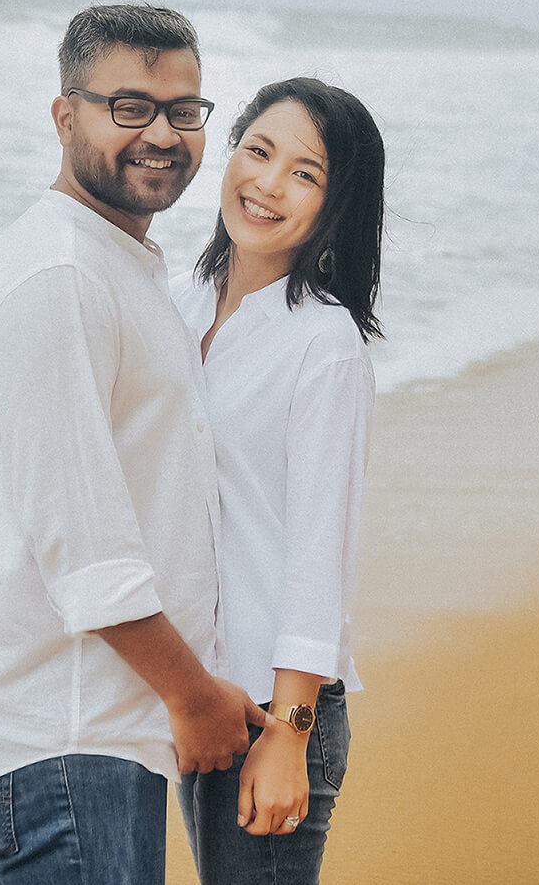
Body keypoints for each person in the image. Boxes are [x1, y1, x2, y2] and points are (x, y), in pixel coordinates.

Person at [0, 4, 274, 885]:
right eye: (129, 107)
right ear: (65, 116)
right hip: (64, 732)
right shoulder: (60, 278)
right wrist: (192, 693)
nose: (161, 134)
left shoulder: (117, 265)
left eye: (184, 110)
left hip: (99, 732)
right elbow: (80, 539)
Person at [169, 77, 385, 885]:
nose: (266, 184)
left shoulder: (323, 344)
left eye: (305, 173)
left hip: (274, 707)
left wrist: (289, 736)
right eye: (258, 151)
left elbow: (318, 555)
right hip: (197, 693)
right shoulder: (176, 305)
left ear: (336, 204)